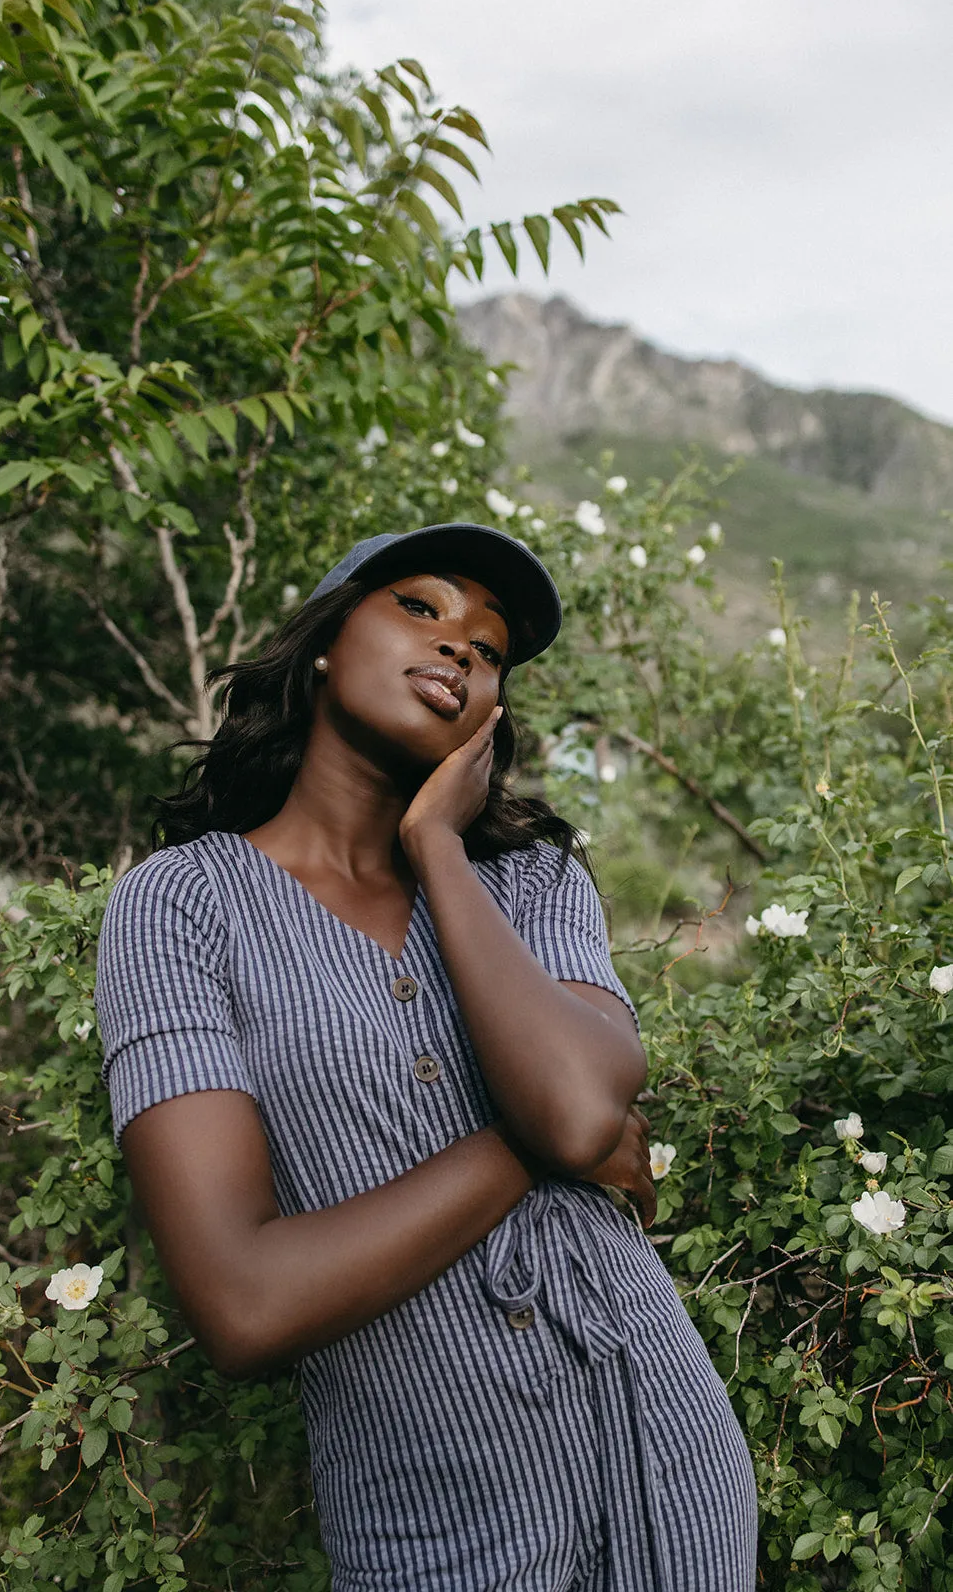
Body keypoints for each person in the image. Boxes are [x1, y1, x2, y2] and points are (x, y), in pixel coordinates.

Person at [95, 522, 758, 1591]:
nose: (458, 647)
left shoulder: (530, 881)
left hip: (666, 1463)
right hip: (434, 1522)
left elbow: (583, 1112)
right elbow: (244, 1300)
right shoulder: (180, 907)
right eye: (421, 606)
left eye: (489, 649)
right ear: (321, 642)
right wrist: (523, 1146)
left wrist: (437, 845)